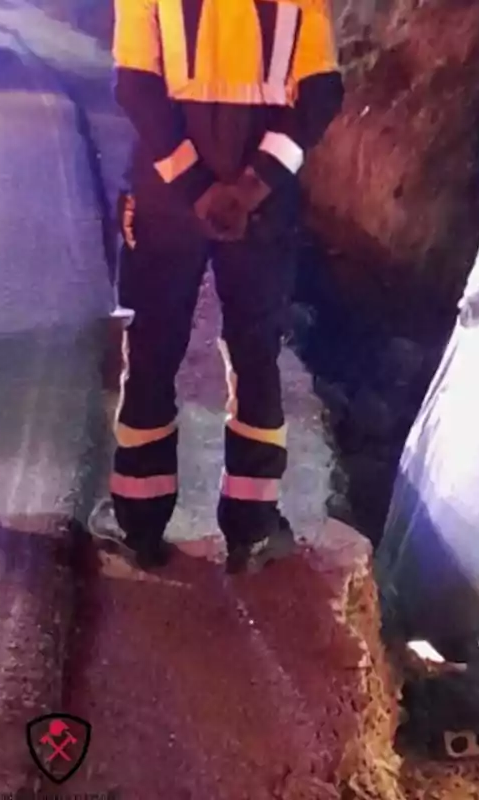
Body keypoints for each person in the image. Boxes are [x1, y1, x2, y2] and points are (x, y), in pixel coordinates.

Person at [105, 0, 343, 573]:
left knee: (153, 352)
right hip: (261, 205)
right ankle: (251, 531)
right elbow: (319, 93)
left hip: (166, 196)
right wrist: (251, 187)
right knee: (256, 357)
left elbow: (136, 86)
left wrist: (197, 188)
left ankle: (141, 527)